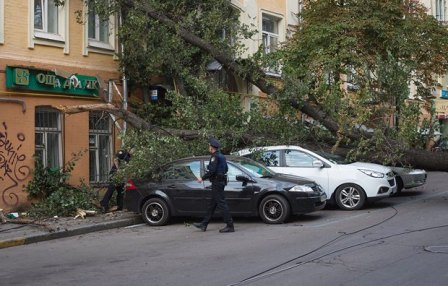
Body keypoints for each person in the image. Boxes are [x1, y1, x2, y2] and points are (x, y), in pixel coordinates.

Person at [193, 137, 234, 233]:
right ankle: (204, 224)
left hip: (217, 183)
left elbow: (212, 171)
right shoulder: (222, 156)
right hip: (221, 182)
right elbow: (226, 169)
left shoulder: (214, 157)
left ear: (212, 147)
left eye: (209, 146)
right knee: (212, 204)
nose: (208, 147)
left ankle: (230, 225)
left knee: (222, 204)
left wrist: (201, 178)